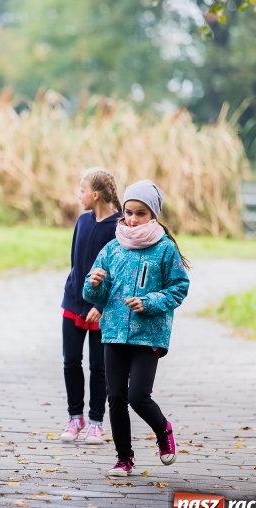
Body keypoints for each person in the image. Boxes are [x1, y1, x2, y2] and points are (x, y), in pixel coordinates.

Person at [82, 179, 190, 477]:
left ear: (153, 215)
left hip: (148, 335)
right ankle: (123, 458)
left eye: (140, 213)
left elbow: (179, 287)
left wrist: (150, 302)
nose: (132, 219)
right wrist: (94, 285)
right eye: (128, 212)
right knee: (115, 396)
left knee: (138, 396)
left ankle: (163, 429)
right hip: (114, 332)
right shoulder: (113, 248)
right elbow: (94, 294)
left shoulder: (165, 249)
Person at [60, 168, 122, 445]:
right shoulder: (83, 221)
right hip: (74, 302)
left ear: (95, 194)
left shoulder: (119, 227)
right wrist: (74, 294)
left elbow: (120, 273)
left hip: (102, 309)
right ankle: (75, 417)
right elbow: (76, 262)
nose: (79, 195)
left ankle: (96, 422)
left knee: (99, 367)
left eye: (82, 190)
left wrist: (102, 304)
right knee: (71, 361)